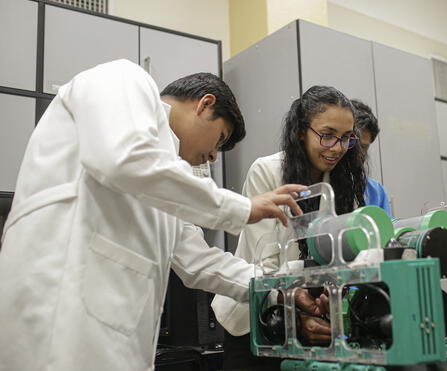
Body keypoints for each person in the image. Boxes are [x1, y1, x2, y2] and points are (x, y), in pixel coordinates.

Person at [0, 59, 306, 371]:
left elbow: (199, 261)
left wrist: (282, 288)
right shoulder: (125, 78)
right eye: (220, 139)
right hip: (56, 311)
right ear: (205, 104)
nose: (214, 155)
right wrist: (243, 208)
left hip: (113, 338)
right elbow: (122, 160)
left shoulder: (164, 180)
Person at [212, 86, 367, 369]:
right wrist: (295, 316)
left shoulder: (343, 183)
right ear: (300, 131)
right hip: (254, 316)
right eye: (327, 135)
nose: (337, 148)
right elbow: (266, 261)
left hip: (312, 315)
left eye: (347, 138)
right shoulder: (268, 171)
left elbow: (341, 258)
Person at [351, 99, 392, 217]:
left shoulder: (376, 192)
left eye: (364, 147)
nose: (358, 153)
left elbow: (386, 232)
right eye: (354, 144)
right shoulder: (322, 186)